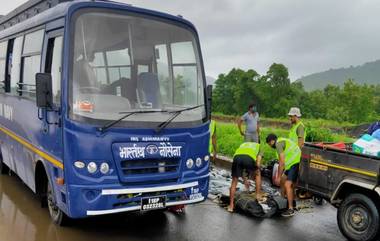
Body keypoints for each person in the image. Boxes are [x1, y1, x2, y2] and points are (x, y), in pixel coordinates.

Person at [266, 134, 301, 217]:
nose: (270, 146)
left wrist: (277, 176)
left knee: (287, 184)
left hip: (296, 162)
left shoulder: (278, 144)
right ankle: (283, 200)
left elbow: (281, 162)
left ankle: (290, 208)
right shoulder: (281, 141)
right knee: (282, 180)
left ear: (272, 141)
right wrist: (280, 177)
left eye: (269, 144)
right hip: (290, 165)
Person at [228, 142, 262, 212]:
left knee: (234, 182)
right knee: (258, 174)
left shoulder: (243, 144)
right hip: (249, 158)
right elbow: (258, 163)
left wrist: (245, 181)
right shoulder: (260, 147)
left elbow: (242, 166)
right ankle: (258, 195)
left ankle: (231, 206)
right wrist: (256, 171)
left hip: (237, 158)